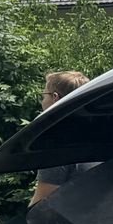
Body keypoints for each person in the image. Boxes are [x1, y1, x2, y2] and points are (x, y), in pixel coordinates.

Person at [30, 70, 91, 205]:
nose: (42, 101)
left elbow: (42, 202)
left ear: (55, 97)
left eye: (44, 95)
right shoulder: (98, 132)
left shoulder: (57, 140)